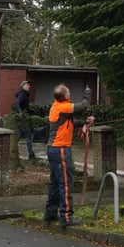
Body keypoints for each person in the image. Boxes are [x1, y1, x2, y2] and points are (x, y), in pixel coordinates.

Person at [44, 83, 93, 228]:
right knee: (65, 184)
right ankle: (66, 217)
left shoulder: (57, 107)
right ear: (65, 96)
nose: (70, 95)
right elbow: (84, 105)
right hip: (60, 150)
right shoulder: (63, 106)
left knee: (55, 183)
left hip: (53, 149)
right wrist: (87, 92)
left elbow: (70, 122)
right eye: (69, 93)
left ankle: (50, 214)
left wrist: (85, 122)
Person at [14, 80, 36, 160]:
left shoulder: (24, 95)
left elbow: (24, 106)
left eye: (29, 85)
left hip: (22, 119)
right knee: (29, 136)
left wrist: (31, 110)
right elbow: (17, 103)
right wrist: (21, 114)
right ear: (22, 86)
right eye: (27, 85)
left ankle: (10, 150)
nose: (29, 86)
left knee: (19, 136)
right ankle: (31, 154)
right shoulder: (22, 95)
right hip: (23, 119)